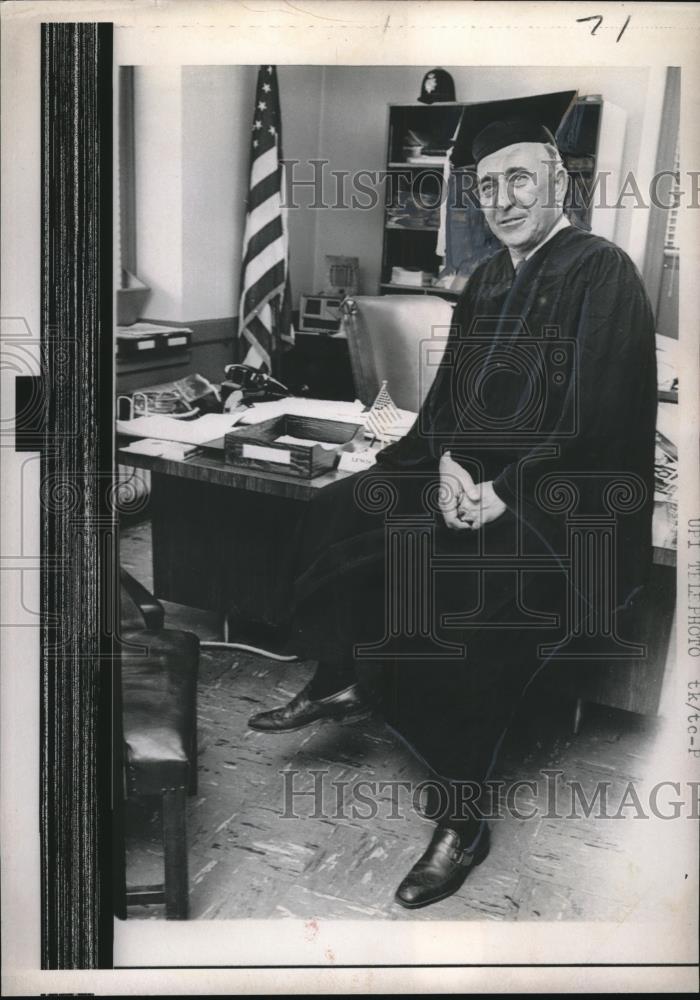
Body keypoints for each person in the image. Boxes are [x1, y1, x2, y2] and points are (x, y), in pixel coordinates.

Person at [248, 117, 658, 909]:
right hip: (472, 476)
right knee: (345, 508)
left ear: (558, 183)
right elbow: (451, 403)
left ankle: (462, 820)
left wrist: (504, 490)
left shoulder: (602, 272)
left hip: (568, 502)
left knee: (466, 601)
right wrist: (443, 464)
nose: (502, 199)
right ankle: (349, 674)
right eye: (489, 185)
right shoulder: (487, 278)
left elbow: (598, 414)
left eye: (520, 180)